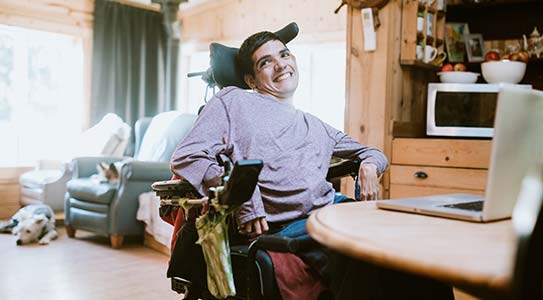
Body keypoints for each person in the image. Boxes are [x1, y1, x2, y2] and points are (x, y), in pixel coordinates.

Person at [171, 30, 453, 300]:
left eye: (284, 55)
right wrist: (243, 193)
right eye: (266, 62)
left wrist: (369, 165)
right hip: (289, 224)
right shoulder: (233, 103)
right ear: (251, 80)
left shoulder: (314, 124)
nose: (281, 65)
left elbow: (373, 153)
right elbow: (188, 155)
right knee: (361, 252)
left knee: (420, 247)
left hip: (336, 211)